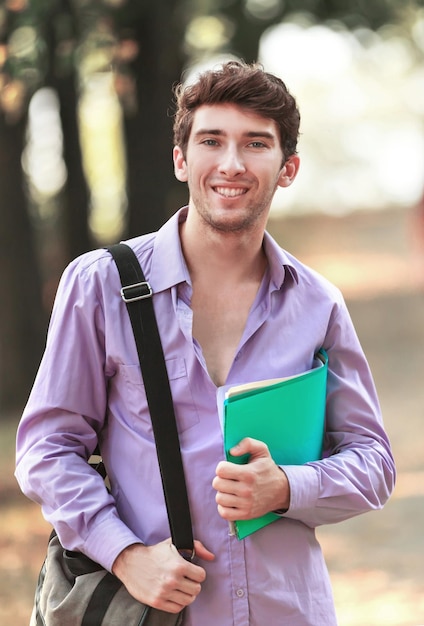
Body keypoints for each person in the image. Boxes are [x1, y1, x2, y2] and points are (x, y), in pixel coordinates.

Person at [16, 60, 395, 625]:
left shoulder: (318, 304)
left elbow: (374, 461)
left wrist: (287, 487)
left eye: (256, 144)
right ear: (181, 159)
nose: (232, 164)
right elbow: (46, 449)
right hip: (151, 613)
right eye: (211, 141)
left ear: (287, 167)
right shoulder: (101, 287)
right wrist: (125, 554)